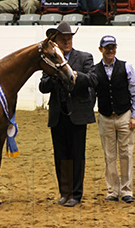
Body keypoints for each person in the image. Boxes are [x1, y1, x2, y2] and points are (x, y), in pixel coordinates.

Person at [39, 21, 97, 207]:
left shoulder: (85, 57)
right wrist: (56, 75)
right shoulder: (50, 60)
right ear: (56, 40)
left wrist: (74, 75)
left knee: (77, 155)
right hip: (58, 113)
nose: (66, 41)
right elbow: (43, 86)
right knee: (61, 155)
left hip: (77, 113)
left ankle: (76, 194)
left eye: (69, 38)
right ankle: (64, 193)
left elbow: (93, 79)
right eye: (63, 39)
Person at [94, 35, 135, 204]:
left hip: (124, 116)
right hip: (105, 117)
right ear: (101, 49)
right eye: (107, 48)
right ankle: (112, 191)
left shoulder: (126, 67)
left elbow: (134, 92)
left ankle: (127, 190)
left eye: (113, 47)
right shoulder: (94, 71)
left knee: (126, 154)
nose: (110, 50)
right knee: (109, 156)